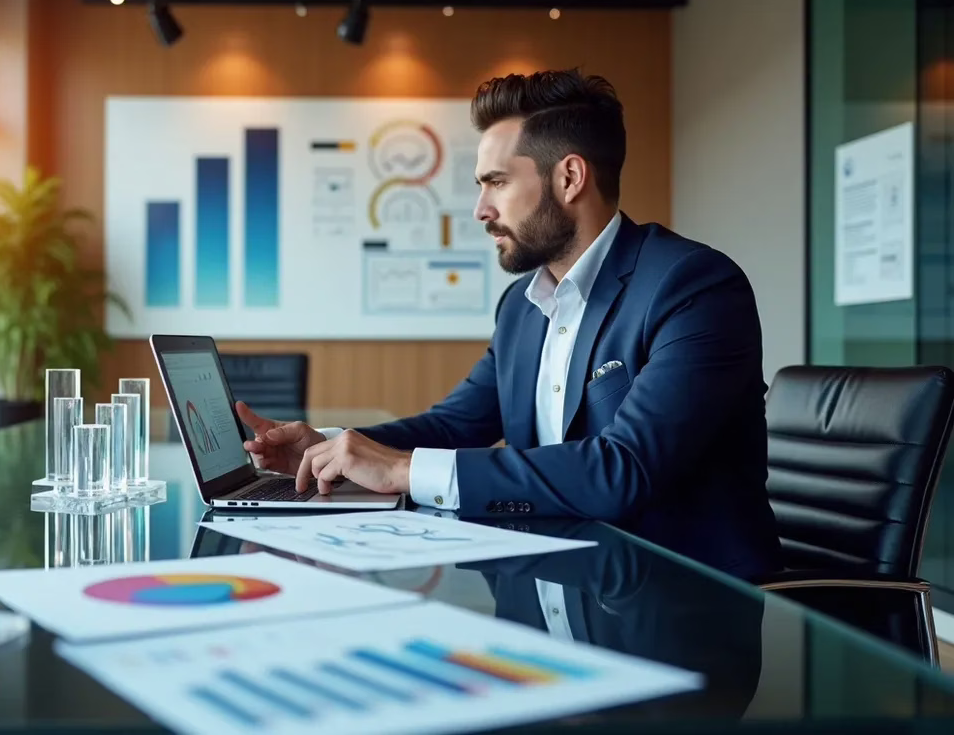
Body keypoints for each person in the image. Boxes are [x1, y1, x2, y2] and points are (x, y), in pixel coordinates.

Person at [238, 68, 782, 579]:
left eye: (495, 182)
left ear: (569, 177)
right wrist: (329, 448)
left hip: (681, 608)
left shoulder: (693, 286)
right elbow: (455, 425)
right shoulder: (522, 305)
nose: (480, 209)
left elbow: (625, 469)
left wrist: (405, 471)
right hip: (558, 581)